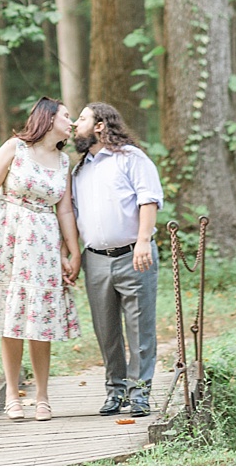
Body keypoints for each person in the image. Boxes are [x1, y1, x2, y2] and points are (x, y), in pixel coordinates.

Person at [0, 97, 82, 422]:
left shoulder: (64, 160)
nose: (70, 122)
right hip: (7, 239)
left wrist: (73, 250)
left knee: (40, 320)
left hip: (43, 246)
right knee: (10, 318)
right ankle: (13, 394)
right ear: (48, 117)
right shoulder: (15, 148)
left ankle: (42, 397)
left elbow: (65, 208)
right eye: (66, 116)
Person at [72, 102, 163, 418]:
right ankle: (115, 391)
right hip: (95, 260)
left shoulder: (131, 158)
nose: (74, 124)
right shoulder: (79, 168)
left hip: (133, 255)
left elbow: (148, 199)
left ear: (99, 125)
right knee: (106, 329)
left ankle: (141, 394)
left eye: (81, 119)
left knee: (140, 326)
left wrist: (143, 241)